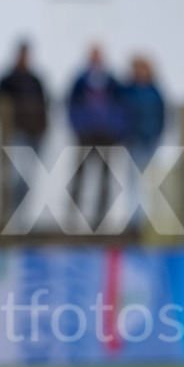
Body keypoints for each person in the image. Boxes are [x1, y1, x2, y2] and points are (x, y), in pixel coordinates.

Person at [67, 44, 128, 231]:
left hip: (106, 137)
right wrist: (79, 127)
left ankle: (99, 219)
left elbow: (121, 107)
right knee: (79, 177)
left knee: (105, 179)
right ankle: (73, 218)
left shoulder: (111, 82)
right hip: (85, 136)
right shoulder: (80, 81)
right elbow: (71, 105)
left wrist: (115, 129)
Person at [0, 41, 48, 227]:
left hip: (32, 138)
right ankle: (8, 217)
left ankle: (21, 219)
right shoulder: (7, 81)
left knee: (26, 179)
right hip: (15, 138)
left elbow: (44, 109)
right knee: (12, 179)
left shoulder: (35, 81)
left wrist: (41, 132)